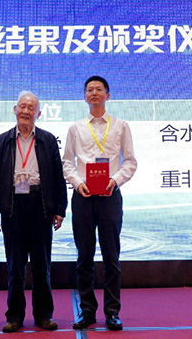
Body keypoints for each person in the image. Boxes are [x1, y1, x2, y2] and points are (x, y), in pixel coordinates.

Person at [0, 91, 68, 333]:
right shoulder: (2, 141)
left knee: (42, 265)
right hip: (12, 206)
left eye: (31, 108)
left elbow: (58, 177)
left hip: (40, 205)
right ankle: (14, 316)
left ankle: (44, 315)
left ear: (38, 114)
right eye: (22, 106)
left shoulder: (48, 140)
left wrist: (60, 209)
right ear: (15, 109)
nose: (26, 111)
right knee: (15, 265)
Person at [62, 76, 137, 331]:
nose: (94, 93)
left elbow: (130, 161)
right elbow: (67, 162)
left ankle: (112, 312)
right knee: (84, 257)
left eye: (99, 89)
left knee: (111, 256)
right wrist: (77, 183)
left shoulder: (120, 126)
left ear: (108, 95)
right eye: (89, 90)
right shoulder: (76, 128)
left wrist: (115, 180)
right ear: (85, 96)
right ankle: (87, 311)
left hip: (109, 195)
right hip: (83, 196)